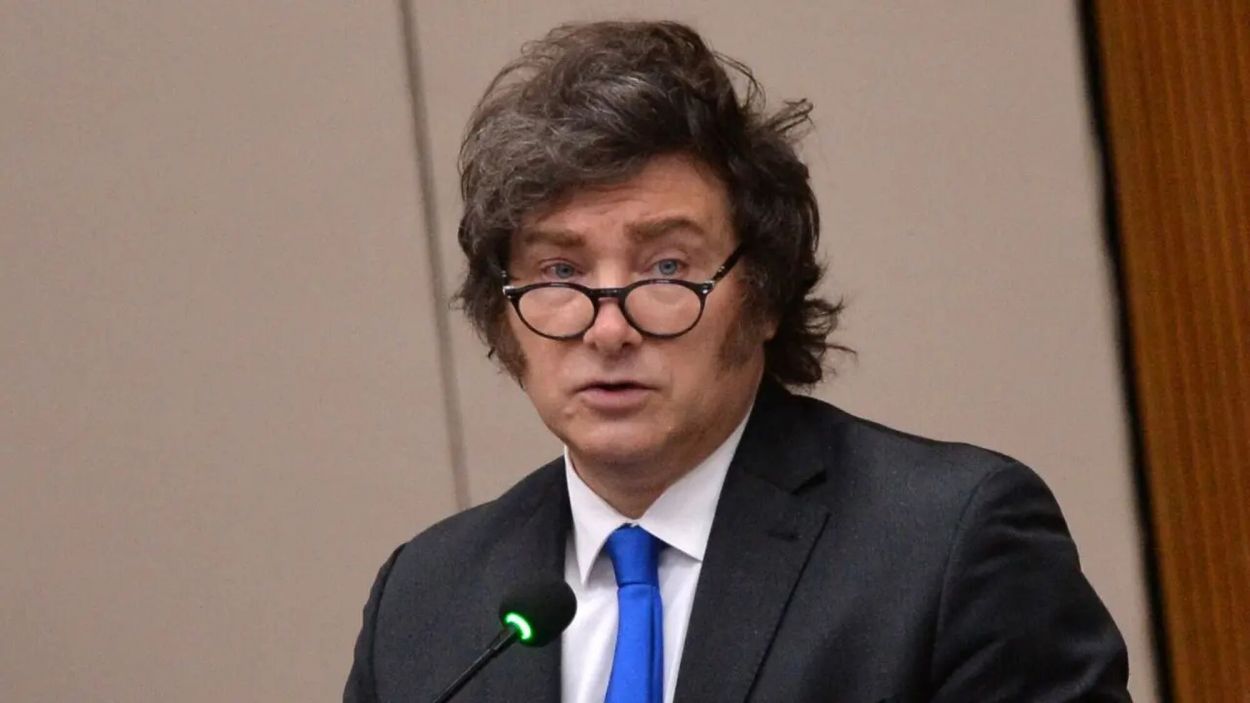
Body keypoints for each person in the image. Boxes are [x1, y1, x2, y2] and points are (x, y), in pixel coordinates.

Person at [345, 20, 1130, 703]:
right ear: (503, 308)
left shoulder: (949, 544)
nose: (609, 329)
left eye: (666, 267)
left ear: (764, 294)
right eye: (560, 272)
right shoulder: (426, 600)